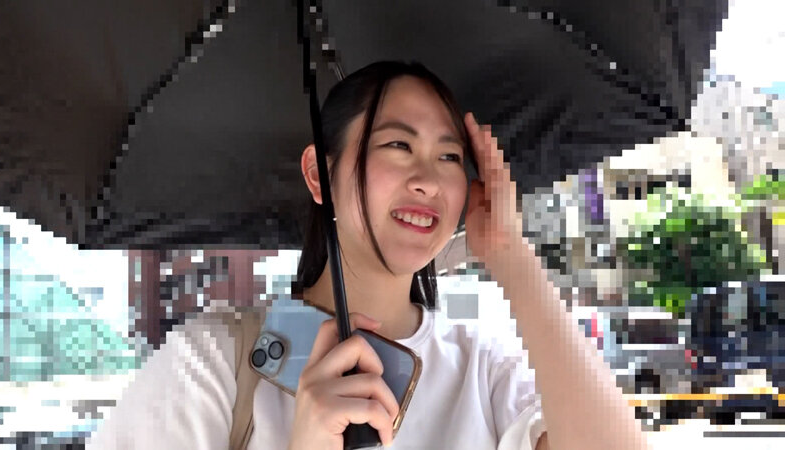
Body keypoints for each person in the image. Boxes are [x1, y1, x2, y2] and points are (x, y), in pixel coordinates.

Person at [87, 61, 650, 450]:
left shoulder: (485, 367)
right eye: (398, 145)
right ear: (319, 174)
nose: (428, 179)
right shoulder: (214, 364)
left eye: (449, 157)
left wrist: (511, 257)